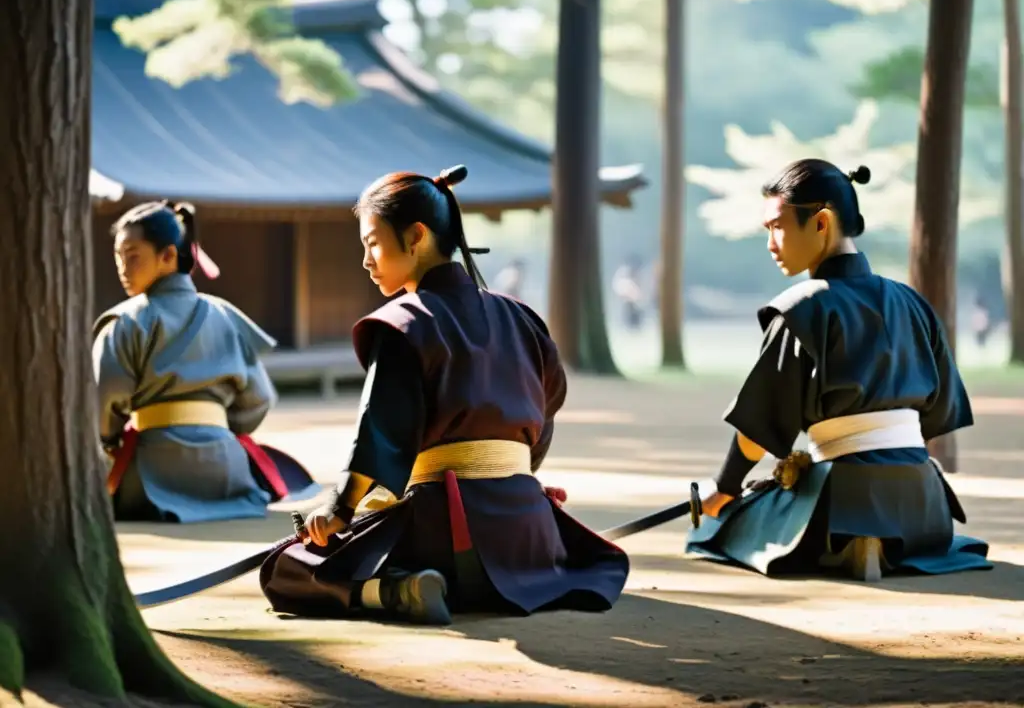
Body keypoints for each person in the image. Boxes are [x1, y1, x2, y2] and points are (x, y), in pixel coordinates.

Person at [259, 165, 630, 624]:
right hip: (529, 534)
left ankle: (395, 592)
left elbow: (384, 428)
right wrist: (515, 480)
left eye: (372, 242)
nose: (366, 260)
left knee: (288, 568)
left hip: (444, 535)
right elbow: (545, 413)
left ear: (415, 236)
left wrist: (340, 510)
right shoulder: (523, 320)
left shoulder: (403, 324)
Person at [686, 159, 992, 581]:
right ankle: (887, 541)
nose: (771, 243)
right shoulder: (912, 302)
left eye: (777, 226)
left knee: (724, 528)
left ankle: (848, 541)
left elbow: (760, 428)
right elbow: (938, 414)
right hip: (925, 507)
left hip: (841, 496)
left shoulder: (801, 309)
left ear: (821, 222)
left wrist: (724, 489)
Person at [93, 201, 317, 523]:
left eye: (132, 255)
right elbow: (259, 399)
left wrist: (109, 440)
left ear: (168, 256)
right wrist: (214, 429)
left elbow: (104, 404)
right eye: (118, 257)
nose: (122, 268)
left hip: (151, 475)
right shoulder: (225, 316)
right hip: (225, 473)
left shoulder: (125, 322)